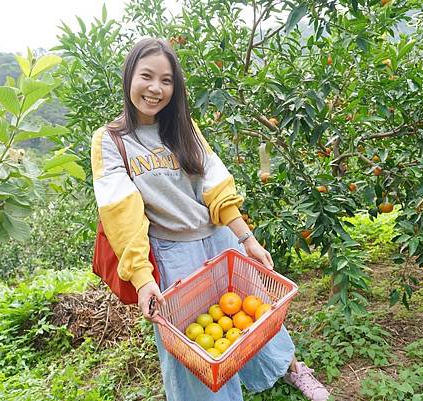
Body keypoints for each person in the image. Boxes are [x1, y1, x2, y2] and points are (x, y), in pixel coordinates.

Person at [90, 37, 330, 401]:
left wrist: (247, 238)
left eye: (166, 80)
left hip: (219, 238)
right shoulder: (111, 140)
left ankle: (293, 368)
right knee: (194, 347)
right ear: (129, 77)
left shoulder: (183, 127)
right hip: (173, 252)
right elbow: (122, 214)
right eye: (147, 76)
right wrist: (142, 278)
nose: (156, 89)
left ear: (176, 86)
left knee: (257, 313)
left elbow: (215, 182)